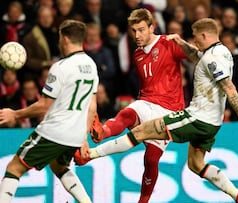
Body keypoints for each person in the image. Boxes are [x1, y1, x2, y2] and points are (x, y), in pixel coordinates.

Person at [76, 18, 238, 203]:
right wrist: (181, 43)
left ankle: (90, 155)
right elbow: (196, 55)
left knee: (140, 131)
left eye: (196, 37)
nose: (194, 40)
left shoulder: (212, 58)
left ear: (204, 35)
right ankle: (237, 196)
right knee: (196, 165)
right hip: (212, 123)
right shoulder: (220, 52)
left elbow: (230, 89)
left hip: (197, 118)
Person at [77, 8, 187, 203]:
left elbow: (194, 56)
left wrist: (183, 43)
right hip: (146, 101)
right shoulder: (137, 54)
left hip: (169, 111)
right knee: (127, 115)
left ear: (152, 27)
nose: (137, 35)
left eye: (142, 30)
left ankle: (143, 200)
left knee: (151, 160)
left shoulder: (168, 43)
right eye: (134, 31)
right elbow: (147, 85)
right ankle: (101, 131)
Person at [0, 19, 99, 203]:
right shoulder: (91, 66)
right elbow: (92, 107)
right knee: (59, 166)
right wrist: (83, 137)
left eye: (59, 38)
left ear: (64, 39)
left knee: (14, 168)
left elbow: (44, 105)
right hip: (74, 134)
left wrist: (15, 114)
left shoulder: (60, 67)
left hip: (54, 131)